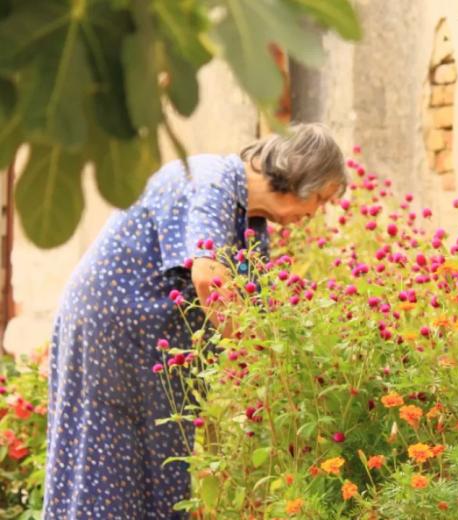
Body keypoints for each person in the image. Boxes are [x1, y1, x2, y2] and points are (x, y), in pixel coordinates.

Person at [42, 123, 347, 518]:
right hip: (111, 332)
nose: (313, 214)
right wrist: (253, 355)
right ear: (299, 175)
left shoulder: (250, 223)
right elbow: (209, 275)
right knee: (104, 457)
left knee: (162, 466)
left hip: (155, 350)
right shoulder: (213, 179)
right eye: (319, 199)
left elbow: (258, 309)